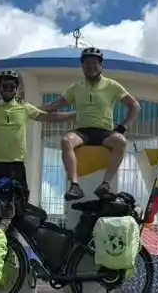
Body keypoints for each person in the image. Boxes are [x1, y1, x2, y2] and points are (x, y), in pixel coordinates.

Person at [0, 70, 74, 221]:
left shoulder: (24, 107)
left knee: (18, 210)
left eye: (11, 86)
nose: (8, 89)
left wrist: (74, 115)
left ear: (16, 88)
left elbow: (48, 117)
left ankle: (13, 236)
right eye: (5, 86)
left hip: (16, 166)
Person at [39, 47, 141, 200]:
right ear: (82, 66)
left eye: (94, 63)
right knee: (66, 140)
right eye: (87, 63)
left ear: (101, 65)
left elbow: (135, 106)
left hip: (104, 133)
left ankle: (105, 184)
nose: (91, 66)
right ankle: (75, 186)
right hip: (82, 132)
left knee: (121, 141)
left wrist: (123, 127)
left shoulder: (112, 85)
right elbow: (54, 106)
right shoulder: (76, 87)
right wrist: (28, 108)